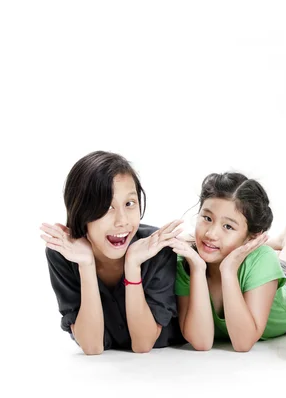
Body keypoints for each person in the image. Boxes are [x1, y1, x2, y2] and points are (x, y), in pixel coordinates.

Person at [40, 150, 184, 354]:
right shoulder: (64, 253)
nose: (122, 221)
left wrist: (133, 265)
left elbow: (143, 344)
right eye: (107, 207)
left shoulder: (157, 248)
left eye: (130, 204)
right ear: (81, 211)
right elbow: (92, 347)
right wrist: (86, 265)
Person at [173, 172, 286, 352]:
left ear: (251, 236)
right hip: (242, 258)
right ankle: (273, 240)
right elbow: (201, 342)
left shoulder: (263, 259)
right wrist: (197, 270)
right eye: (207, 218)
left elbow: (243, 343)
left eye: (228, 226)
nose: (211, 233)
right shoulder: (187, 261)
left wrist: (228, 271)